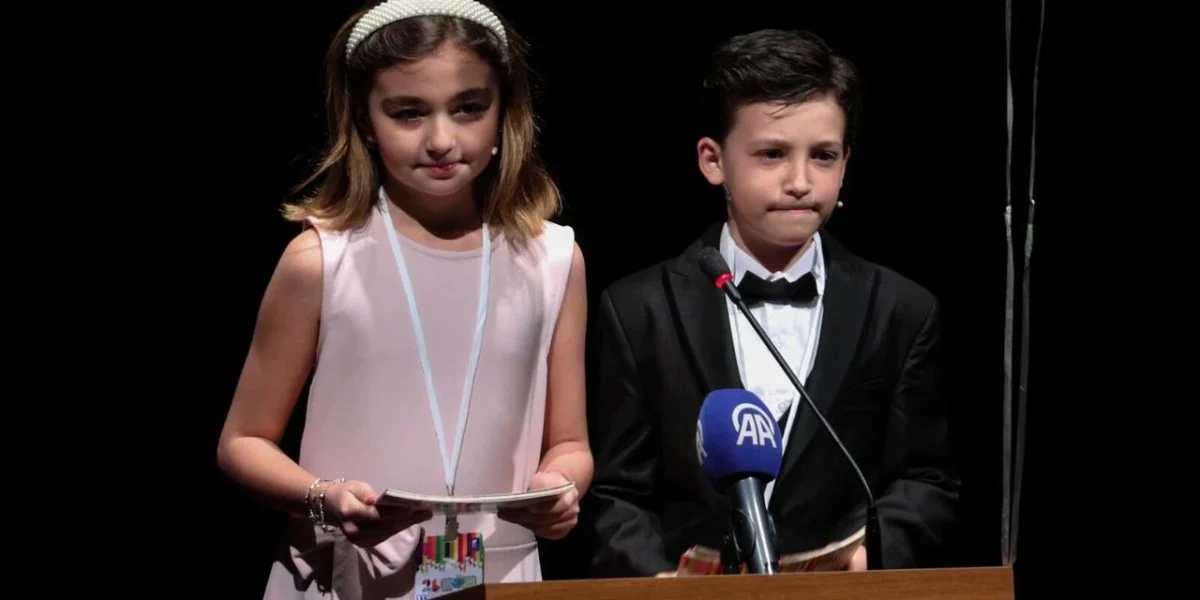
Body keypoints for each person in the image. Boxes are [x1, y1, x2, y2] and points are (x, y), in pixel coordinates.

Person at [216, 1, 592, 597]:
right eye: (409, 113)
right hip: (346, 575)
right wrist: (323, 497)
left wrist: (558, 487)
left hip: (496, 573)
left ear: (504, 111)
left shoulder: (552, 260)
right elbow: (243, 441)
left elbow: (569, 442)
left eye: (469, 108)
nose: (441, 140)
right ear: (365, 121)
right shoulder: (322, 260)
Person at [581, 28, 959, 576]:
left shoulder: (900, 310)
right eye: (772, 154)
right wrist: (660, 581)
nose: (800, 181)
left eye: (823, 156)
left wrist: (865, 558)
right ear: (713, 161)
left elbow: (926, 478)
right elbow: (618, 492)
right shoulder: (640, 309)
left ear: (846, 164)